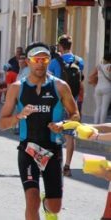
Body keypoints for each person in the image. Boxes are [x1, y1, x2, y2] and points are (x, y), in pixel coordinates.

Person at [0, 42, 79, 220]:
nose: (40, 63)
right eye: (36, 59)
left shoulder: (60, 87)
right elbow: (2, 123)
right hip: (28, 149)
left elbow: (75, 115)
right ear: (28, 62)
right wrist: (18, 117)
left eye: (44, 59)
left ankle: (46, 203)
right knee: (31, 199)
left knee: (55, 207)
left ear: (49, 61)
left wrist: (63, 124)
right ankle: (38, 203)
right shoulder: (17, 88)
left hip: (53, 149)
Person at [48, 34, 84, 177]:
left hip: (58, 101)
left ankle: (52, 165)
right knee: (70, 136)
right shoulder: (79, 61)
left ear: (60, 47)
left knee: (53, 132)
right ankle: (67, 166)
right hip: (73, 102)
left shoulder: (55, 62)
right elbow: (81, 80)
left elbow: (49, 82)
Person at [89, 53, 111, 124]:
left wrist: (94, 84)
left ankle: (95, 124)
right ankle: (102, 124)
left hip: (98, 88)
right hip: (107, 88)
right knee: (104, 107)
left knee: (98, 107)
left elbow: (91, 76)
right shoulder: (110, 66)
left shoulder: (99, 66)